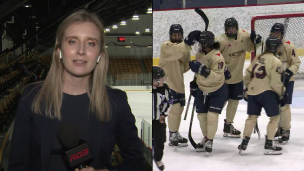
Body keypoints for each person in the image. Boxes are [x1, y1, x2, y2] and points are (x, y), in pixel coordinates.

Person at [8, 9, 145, 171]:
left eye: (91, 43)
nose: (81, 50)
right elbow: (17, 165)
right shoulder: (31, 97)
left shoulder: (117, 101)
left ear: (100, 55)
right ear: (59, 51)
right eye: (72, 41)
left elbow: (136, 162)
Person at [216, 17, 262, 138]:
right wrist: (223, 70)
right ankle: (209, 125)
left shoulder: (243, 36)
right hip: (223, 78)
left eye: (233, 28)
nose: (231, 31)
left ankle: (228, 125)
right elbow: (213, 57)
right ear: (226, 30)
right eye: (229, 29)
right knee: (220, 103)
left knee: (234, 102)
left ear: (237, 28)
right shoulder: (221, 41)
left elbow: (252, 47)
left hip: (237, 78)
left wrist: (256, 40)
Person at [239, 36, 286, 155]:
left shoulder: (258, 58)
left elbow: (247, 74)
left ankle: (244, 143)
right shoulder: (276, 62)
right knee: (275, 118)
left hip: (253, 93)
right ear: (275, 47)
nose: (281, 48)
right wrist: (281, 94)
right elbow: (275, 83)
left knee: (251, 118)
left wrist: (247, 89)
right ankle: (269, 144)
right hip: (267, 93)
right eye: (279, 46)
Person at [189, 31, 228, 153]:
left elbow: (216, 77)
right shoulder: (200, 54)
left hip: (217, 89)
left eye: (201, 43)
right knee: (201, 116)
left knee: (212, 116)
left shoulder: (218, 57)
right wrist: (195, 83)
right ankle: (206, 137)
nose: (199, 46)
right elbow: (197, 73)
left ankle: (210, 139)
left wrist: (202, 69)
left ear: (206, 43)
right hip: (202, 89)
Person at [158, 24, 192, 147]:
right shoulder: (166, 46)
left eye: (179, 35)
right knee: (174, 109)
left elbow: (184, 66)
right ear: (170, 35)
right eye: (174, 35)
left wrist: (191, 65)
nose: (176, 37)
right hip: (168, 83)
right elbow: (177, 51)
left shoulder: (185, 48)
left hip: (178, 83)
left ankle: (175, 132)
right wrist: (188, 43)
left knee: (179, 110)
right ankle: (172, 134)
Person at [270, 23, 301, 144]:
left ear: (282, 34)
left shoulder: (288, 46)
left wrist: (289, 73)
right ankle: (280, 128)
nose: (276, 35)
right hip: (274, 80)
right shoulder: (269, 45)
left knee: (285, 105)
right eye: (275, 32)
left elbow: (296, 63)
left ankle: (286, 130)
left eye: (279, 33)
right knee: (276, 106)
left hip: (287, 80)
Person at [152, 66, 172, 171]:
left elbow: (169, 102)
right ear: (154, 79)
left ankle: (158, 158)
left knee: (160, 141)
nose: (164, 80)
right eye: (162, 78)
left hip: (159, 120)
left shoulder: (165, 88)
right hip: (149, 120)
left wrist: (163, 114)